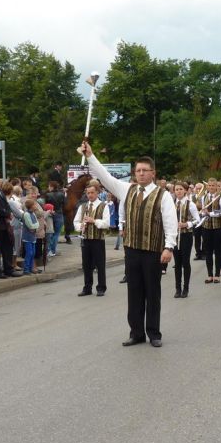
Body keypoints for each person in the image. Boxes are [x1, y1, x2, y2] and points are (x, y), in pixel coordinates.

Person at [78, 142, 176, 347]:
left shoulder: (163, 195)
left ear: (153, 173)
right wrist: (90, 156)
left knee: (152, 292)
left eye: (144, 170)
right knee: (134, 292)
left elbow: (170, 222)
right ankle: (136, 332)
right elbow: (105, 177)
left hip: (152, 251)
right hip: (132, 249)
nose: (140, 174)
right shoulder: (126, 189)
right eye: (138, 170)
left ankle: (154, 333)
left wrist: (169, 247)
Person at [74, 183, 111, 296]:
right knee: (86, 265)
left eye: (92, 193)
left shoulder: (103, 206)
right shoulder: (83, 206)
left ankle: (101, 287)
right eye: (88, 193)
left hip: (98, 239)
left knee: (100, 264)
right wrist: (80, 226)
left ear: (97, 193)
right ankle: (87, 288)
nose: (90, 195)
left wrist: (93, 221)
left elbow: (106, 223)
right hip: (85, 239)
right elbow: (75, 222)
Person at [172, 182, 199, 298]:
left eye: (180, 189)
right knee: (177, 263)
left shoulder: (190, 204)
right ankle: (178, 289)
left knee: (185, 262)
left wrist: (186, 224)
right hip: (174, 236)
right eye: (176, 189)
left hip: (186, 236)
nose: (178, 191)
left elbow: (197, 220)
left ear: (185, 190)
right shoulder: (171, 204)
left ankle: (185, 288)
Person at [199, 178, 221, 283]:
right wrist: (203, 213)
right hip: (206, 227)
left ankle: (217, 275)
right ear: (207, 187)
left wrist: (210, 213)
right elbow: (203, 213)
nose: (211, 187)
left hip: (218, 228)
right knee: (208, 252)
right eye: (209, 186)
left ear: (216, 186)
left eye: (213, 185)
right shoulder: (204, 197)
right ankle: (210, 275)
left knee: (218, 251)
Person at [46, 181, 66, 257]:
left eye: (49, 186)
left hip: (50, 214)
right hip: (59, 214)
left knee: (50, 233)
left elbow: (46, 205)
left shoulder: (48, 195)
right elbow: (65, 204)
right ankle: (53, 250)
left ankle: (50, 250)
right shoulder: (61, 194)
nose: (48, 188)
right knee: (56, 233)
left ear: (52, 187)